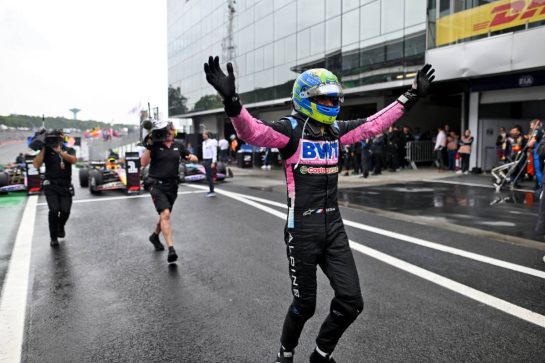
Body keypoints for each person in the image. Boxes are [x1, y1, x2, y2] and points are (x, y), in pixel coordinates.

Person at [204, 56, 435, 363]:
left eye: (334, 97)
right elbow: (252, 132)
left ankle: (320, 356)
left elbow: (373, 124)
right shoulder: (290, 130)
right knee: (305, 305)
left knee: (351, 302)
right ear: (307, 98)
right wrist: (231, 101)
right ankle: (285, 353)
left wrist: (411, 95)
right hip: (301, 230)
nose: (331, 102)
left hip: (334, 227)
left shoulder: (336, 131)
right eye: (324, 97)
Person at [141, 120, 198, 263]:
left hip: (173, 186)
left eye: (170, 130)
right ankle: (171, 250)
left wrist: (192, 157)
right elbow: (143, 163)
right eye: (165, 131)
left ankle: (154, 236)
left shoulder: (178, 145)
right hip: (156, 185)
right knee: (165, 214)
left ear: (172, 131)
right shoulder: (155, 145)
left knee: (163, 216)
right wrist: (149, 145)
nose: (168, 133)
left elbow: (194, 158)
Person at [32, 130, 77, 247]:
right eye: (53, 138)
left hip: (65, 185)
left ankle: (60, 226)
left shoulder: (69, 149)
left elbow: (73, 160)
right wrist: (43, 148)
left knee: (65, 211)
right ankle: (53, 237)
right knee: (54, 210)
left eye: (58, 137)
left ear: (62, 138)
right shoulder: (46, 150)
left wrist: (60, 152)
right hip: (51, 185)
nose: (55, 140)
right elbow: (36, 164)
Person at [202, 131, 218, 197]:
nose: (203, 136)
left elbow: (214, 152)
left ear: (207, 135)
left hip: (210, 160)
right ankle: (210, 190)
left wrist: (213, 162)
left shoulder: (212, 142)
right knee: (208, 177)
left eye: (204, 134)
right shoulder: (203, 143)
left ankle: (212, 191)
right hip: (205, 160)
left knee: (210, 176)